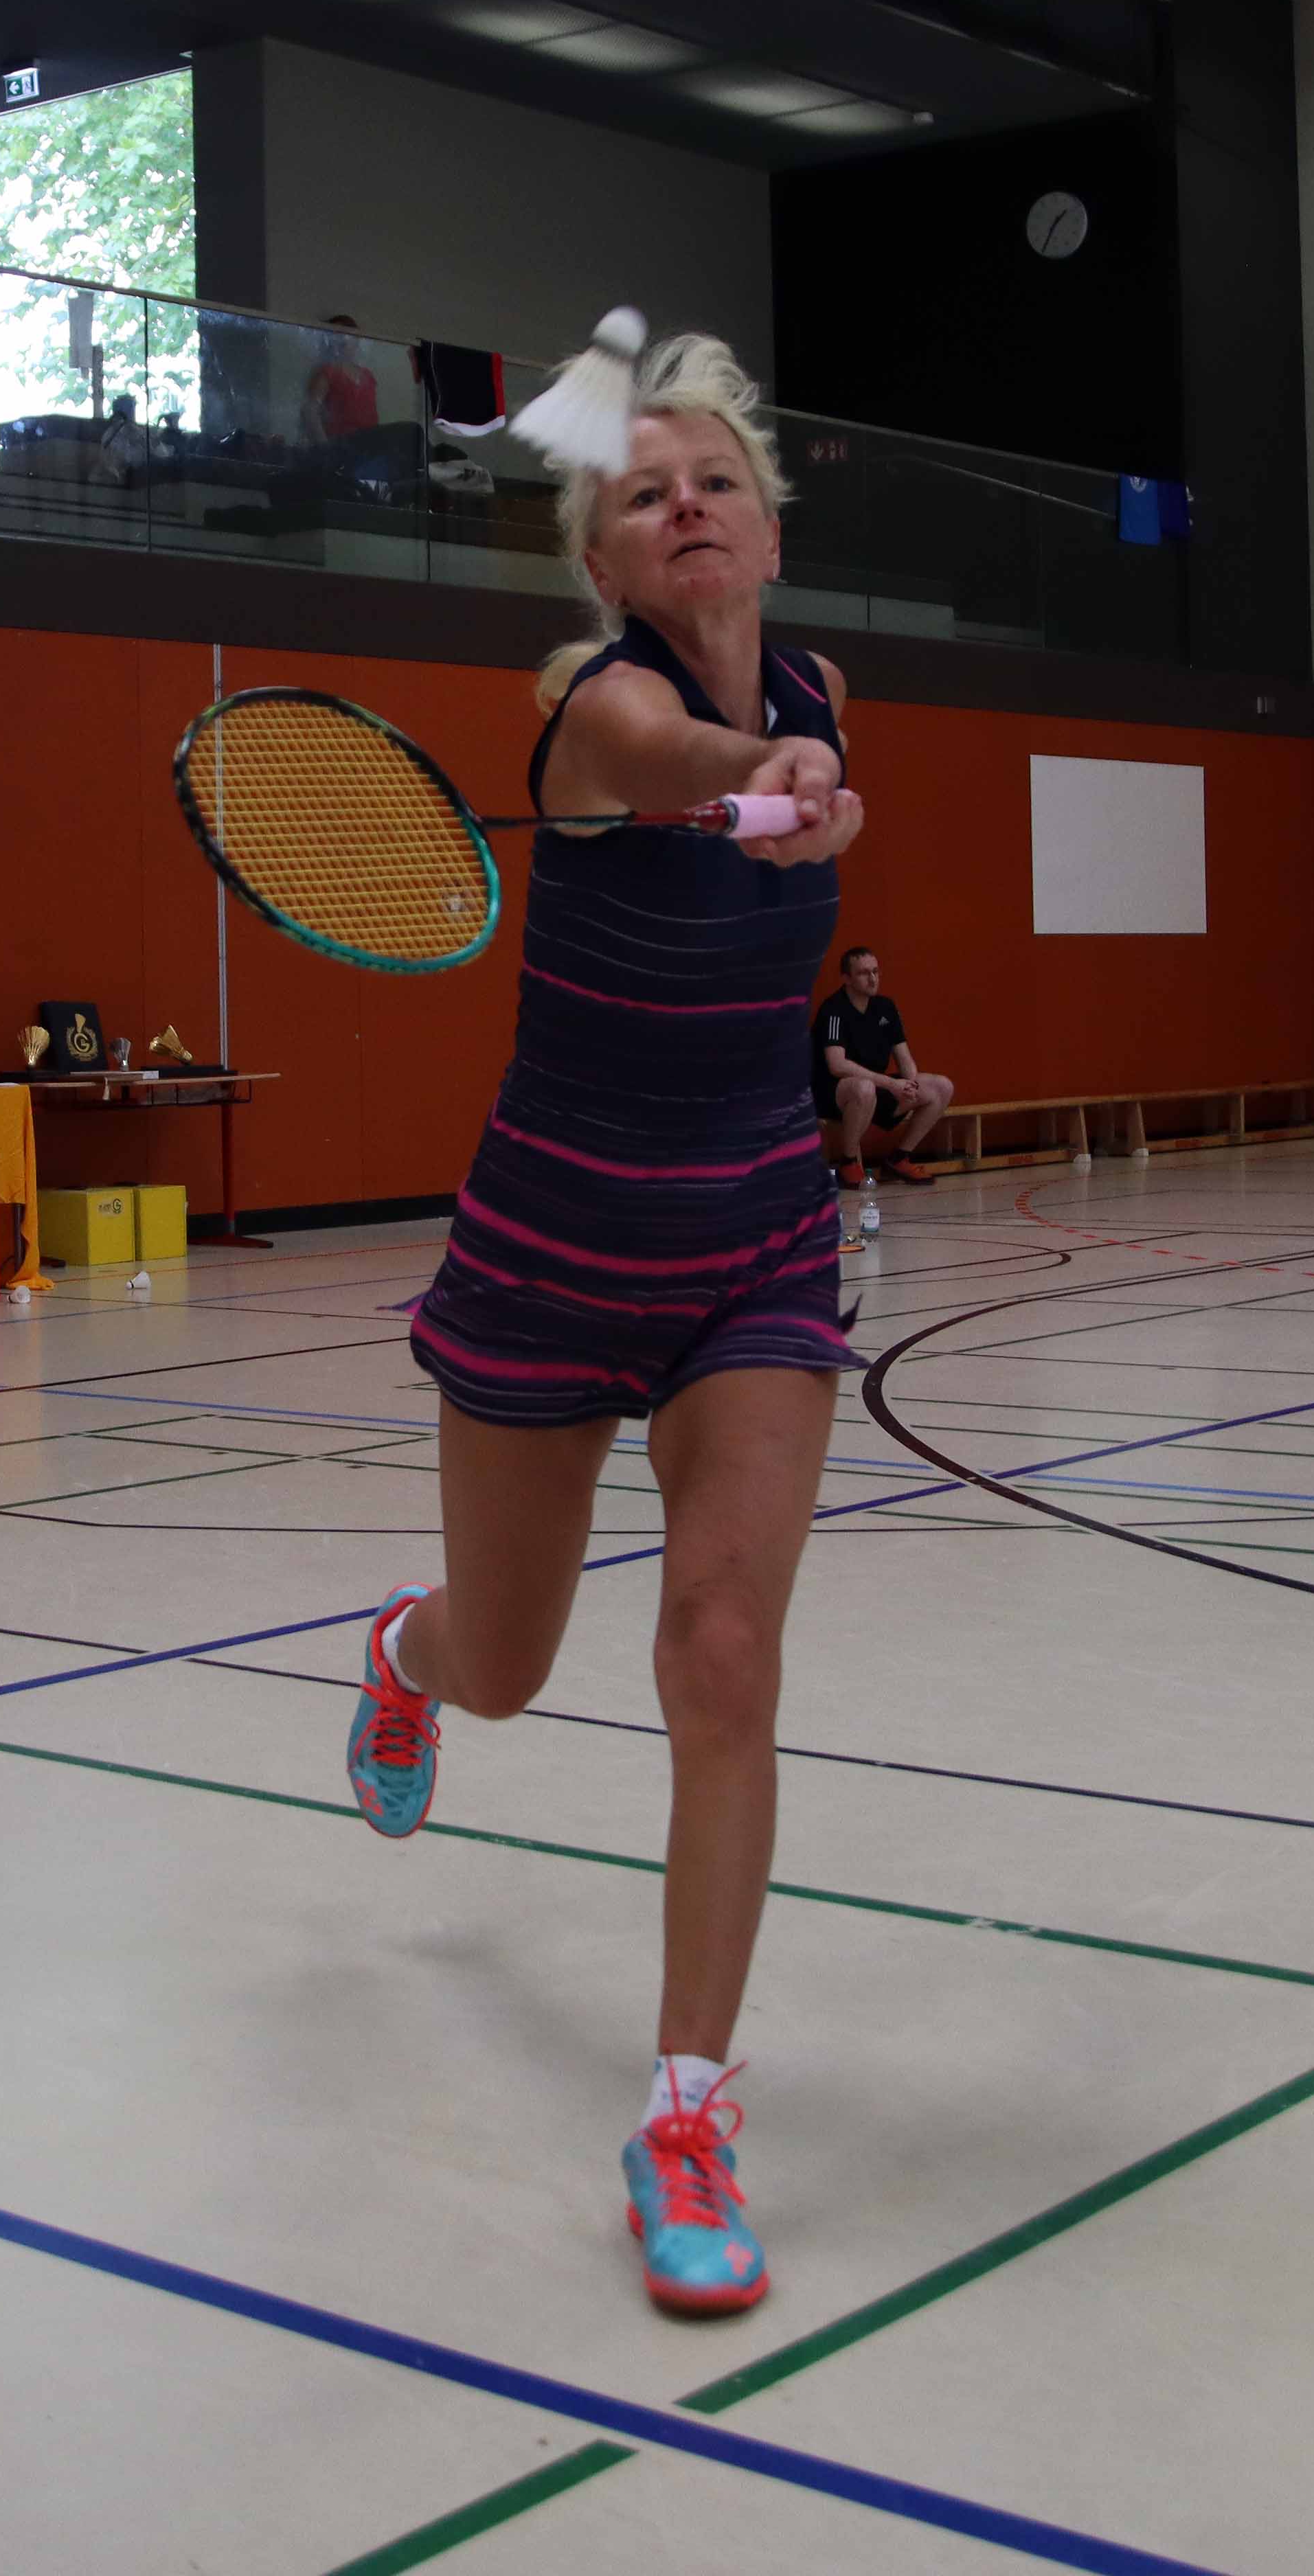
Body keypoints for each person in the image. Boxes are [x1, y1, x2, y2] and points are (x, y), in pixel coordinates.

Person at [347, 326, 863, 2322]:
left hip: (753, 1237)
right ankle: (407, 1651)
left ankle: (684, 2115)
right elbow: (665, 760)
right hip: (550, 1246)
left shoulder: (820, 690)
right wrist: (758, 776)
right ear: (607, 557)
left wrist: (809, 781)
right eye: (644, 492)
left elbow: (793, 827)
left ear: (764, 525)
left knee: (720, 1653)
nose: (685, 505)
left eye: (714, 478)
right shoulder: (591, 706)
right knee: (508, 1667)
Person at [811, 943, 953, 1231]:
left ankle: (899, 1158)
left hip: (876, 1087)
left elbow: (904, 1056)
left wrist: (910, 1084)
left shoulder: (885, 1007)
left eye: (876, 972)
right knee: (864, 1088)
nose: (873, 978)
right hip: (835, 1093)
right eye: (864, 973)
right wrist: (891, 1083)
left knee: (941, 1087)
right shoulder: (834, 1010)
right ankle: (848, 1162)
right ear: (847, 978)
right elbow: (837, 1065)